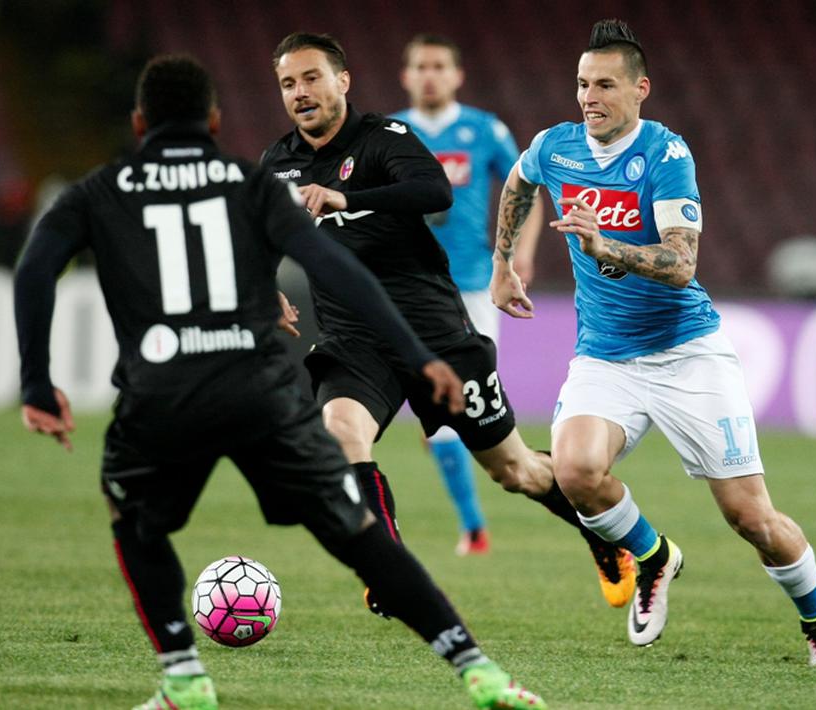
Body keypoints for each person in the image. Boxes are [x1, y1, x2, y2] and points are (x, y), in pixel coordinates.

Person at [13, 54, 545, 710]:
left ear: (139, 120)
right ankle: (475, 669)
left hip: (162, 392)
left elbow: (36, 267)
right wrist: (418, 352)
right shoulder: (250, 181)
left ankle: (182, 675)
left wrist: (37, 383)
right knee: (356, 534)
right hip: (256, 388)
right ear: (212, 119)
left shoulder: (101, 188)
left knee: (137, 522)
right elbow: (338, 266)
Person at [490, 19, 816, 665]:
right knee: (573, 472)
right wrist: (503, 264)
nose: (587, 97)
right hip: (605, 353)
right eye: (580, 84)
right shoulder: (556, 146)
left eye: (603, 84)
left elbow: (681, 264)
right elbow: (518, 184)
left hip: (686, 353)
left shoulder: (664, 156)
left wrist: (605, 247)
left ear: (639, 89)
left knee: (750, 519)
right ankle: (653, 556)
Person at [260, 32, 635, 610]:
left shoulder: (385, 138)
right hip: (354, 338)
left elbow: (434, 191)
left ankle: (601, 532)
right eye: (288, 83)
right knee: (340, 431)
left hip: (432, 332)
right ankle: (388, 567)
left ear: (342, 81)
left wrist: (344, 197)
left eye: (312, 78)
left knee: (514, 472)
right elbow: (257, 231)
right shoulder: (278, 162)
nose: (300, 92)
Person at [390, 33, 544, 556]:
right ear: (405, 76)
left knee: (474, 409)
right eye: (420, 66)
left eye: (438, 66)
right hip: (407, 288)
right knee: (437, 415)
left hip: (474, 286)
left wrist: (518, 250)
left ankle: (546, 491)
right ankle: (474, 527)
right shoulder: (389, 133)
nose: (429, 75)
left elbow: (528, 185)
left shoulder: (483, 129)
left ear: (456, 75)